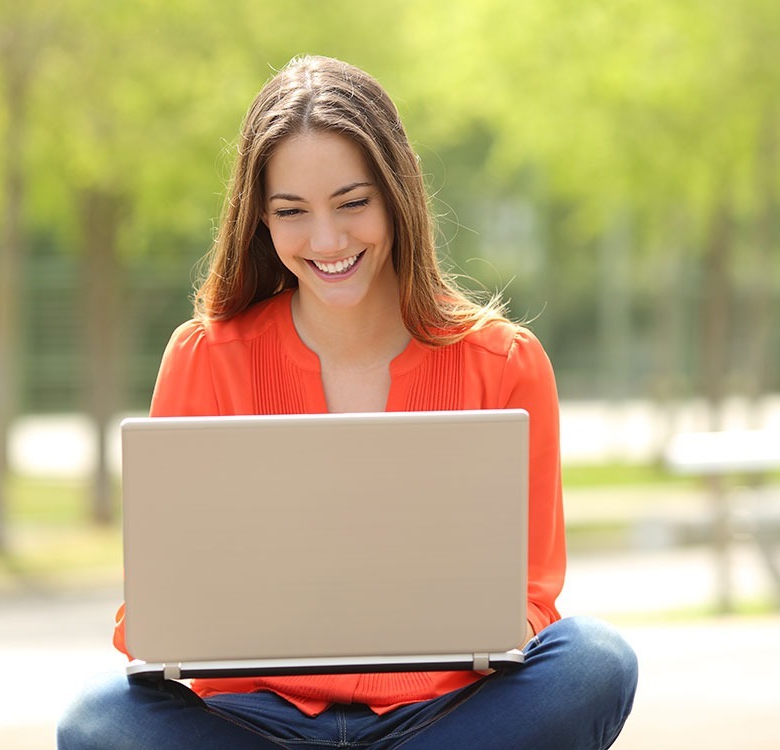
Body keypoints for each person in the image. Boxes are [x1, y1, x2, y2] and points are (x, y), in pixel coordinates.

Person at [57, 54, 637, 749]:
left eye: (353, 203)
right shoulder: (204, 357)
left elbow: (535, 595)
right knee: (96, 721)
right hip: (256, 720)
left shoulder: (505, 362)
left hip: (447, 715)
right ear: (261, 220)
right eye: (292, 212)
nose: (327, 241)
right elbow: (152, 613)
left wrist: (505, 623)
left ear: (397, 194)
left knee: (595, 663)